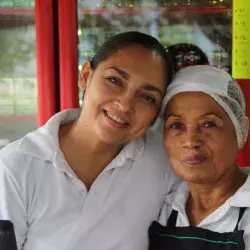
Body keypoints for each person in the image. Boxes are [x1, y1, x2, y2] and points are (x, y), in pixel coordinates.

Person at [0, 31, 179, 250]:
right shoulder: (15, 167)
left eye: (147, 97)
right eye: (115, 80)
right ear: (86, 76)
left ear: (156, 114)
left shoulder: (165, 162)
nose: (125, 105)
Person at [148, 65, 250, 250]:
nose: (191, 141)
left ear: (240, 130)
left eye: (209, 124)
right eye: (176, 125)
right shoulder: (161, 207)